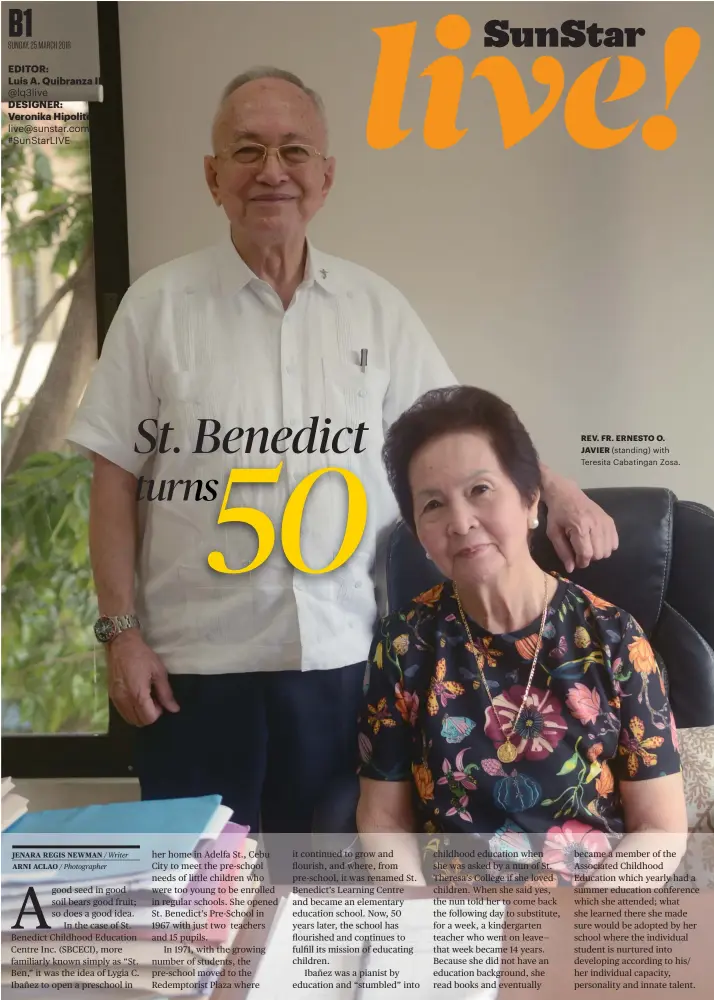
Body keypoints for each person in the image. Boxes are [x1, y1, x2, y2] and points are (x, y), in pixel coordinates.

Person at [68, 67, 618, 836]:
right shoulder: (156, 309)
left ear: (325, 177)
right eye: (247, 150)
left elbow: (454, 432)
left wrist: (552, 488)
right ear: (211, 175)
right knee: (191, 909)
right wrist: (120, 635)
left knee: (326, 902)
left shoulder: (373, 307)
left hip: (343, 666)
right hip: (192, 672)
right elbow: (113, 477)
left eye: (294, 150)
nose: (271, 171)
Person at [356, 385, 687, 884]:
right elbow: (383, 820)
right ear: (419, 535)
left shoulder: (614, 637)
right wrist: (417, 926)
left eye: (480, 490)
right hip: (453, 920)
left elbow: (661, 828)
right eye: (433, 505)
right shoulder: (404, 643)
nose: (461, 522)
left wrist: (584, 923)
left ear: (531, 500)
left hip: (592, 905)